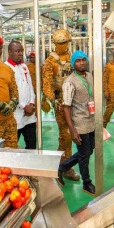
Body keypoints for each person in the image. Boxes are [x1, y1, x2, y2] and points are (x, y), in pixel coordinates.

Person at [55, 51, 96, 195]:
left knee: (89, 150)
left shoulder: (90, 76)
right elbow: (66, 106)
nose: (82, 63)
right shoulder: (69, 82)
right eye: (78, 61)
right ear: (73, 64)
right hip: (79, 123)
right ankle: (87, 183)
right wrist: (72, 129)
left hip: (91, 120)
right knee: (85, 154)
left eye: (83, 60)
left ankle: (62, 167)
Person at [42, 29, 80, 180]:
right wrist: (53, 99)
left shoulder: (73, 58)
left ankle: (60, 163)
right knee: (66, 134)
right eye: (59, 43)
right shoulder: (50, 61)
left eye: (64, 43)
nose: (62, 46)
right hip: (61, 103)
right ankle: (66, 167)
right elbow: (46, 83)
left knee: (69, 135)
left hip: (75, 101)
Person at [5, 41, 36, 149]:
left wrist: (31, 103)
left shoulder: (24, 66)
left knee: (32, 144)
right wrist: (23, 106)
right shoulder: (6, 68)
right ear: (9, 52)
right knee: (12, 145)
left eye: (21, 51)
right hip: (15, 115)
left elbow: (30, 86)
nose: (20, 53)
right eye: (17, 51)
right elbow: (8, 93)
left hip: (29, 115)